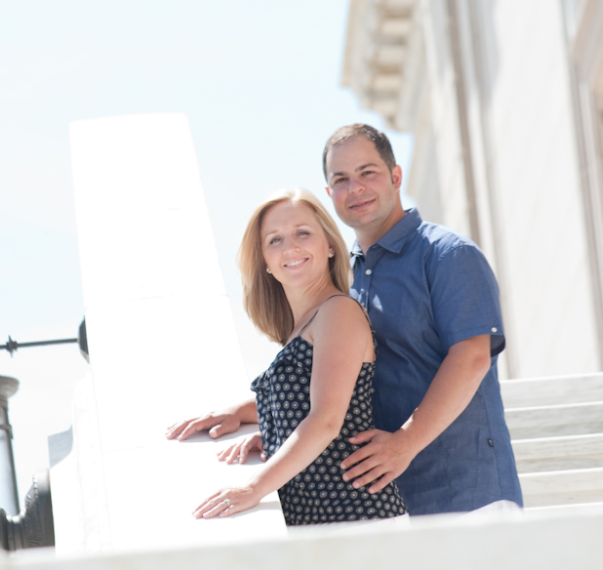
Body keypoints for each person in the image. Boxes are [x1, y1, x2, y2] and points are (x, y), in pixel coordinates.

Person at [169, 124, 522, 516]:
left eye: (367, 172)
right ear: (330, 193)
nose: (355, 187)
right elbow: (339, 380)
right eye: (341, 179)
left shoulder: (446, 254)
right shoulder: (344, 283)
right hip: (387, 494)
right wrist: (255, 417)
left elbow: (472, 358)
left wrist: (405, 442)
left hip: (467, 493)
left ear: (395, 175)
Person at [188, 189, 407, 525]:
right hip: (320, 524)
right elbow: (306, 399)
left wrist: (252, 487)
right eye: (274, 240)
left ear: (330, 246)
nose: (289, 247)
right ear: (265, 262)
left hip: (356, 519)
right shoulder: (303, 326)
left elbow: (326, 420)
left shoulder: (339, 312)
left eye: (302, 233)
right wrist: (247, 415)